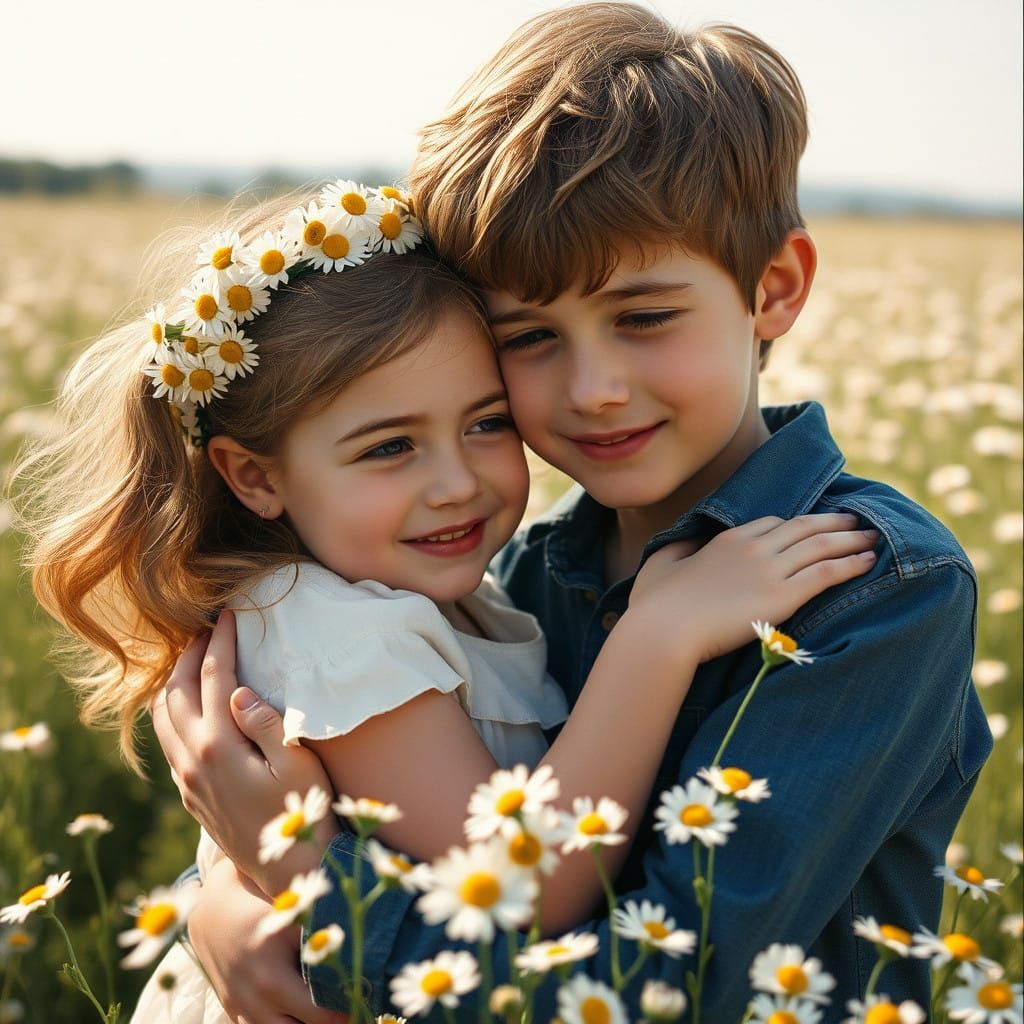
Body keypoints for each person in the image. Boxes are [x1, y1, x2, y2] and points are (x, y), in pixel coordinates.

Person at [152, 4, 992, 1021]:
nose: (593, 389)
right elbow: (387, 811)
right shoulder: (528, 565)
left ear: (772, 290)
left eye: (644, 317)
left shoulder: (871, 586)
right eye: (529, 336)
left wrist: (311, 894)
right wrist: (216, 904)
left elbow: (659, 993)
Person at [14, 175, 875, 1023]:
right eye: (390, 448)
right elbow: (526, 886)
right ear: (254, 476)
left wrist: (247, 890)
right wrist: (655, 639)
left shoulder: (433, 593)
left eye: (487, 423)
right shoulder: (334, 635)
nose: (457, 483)